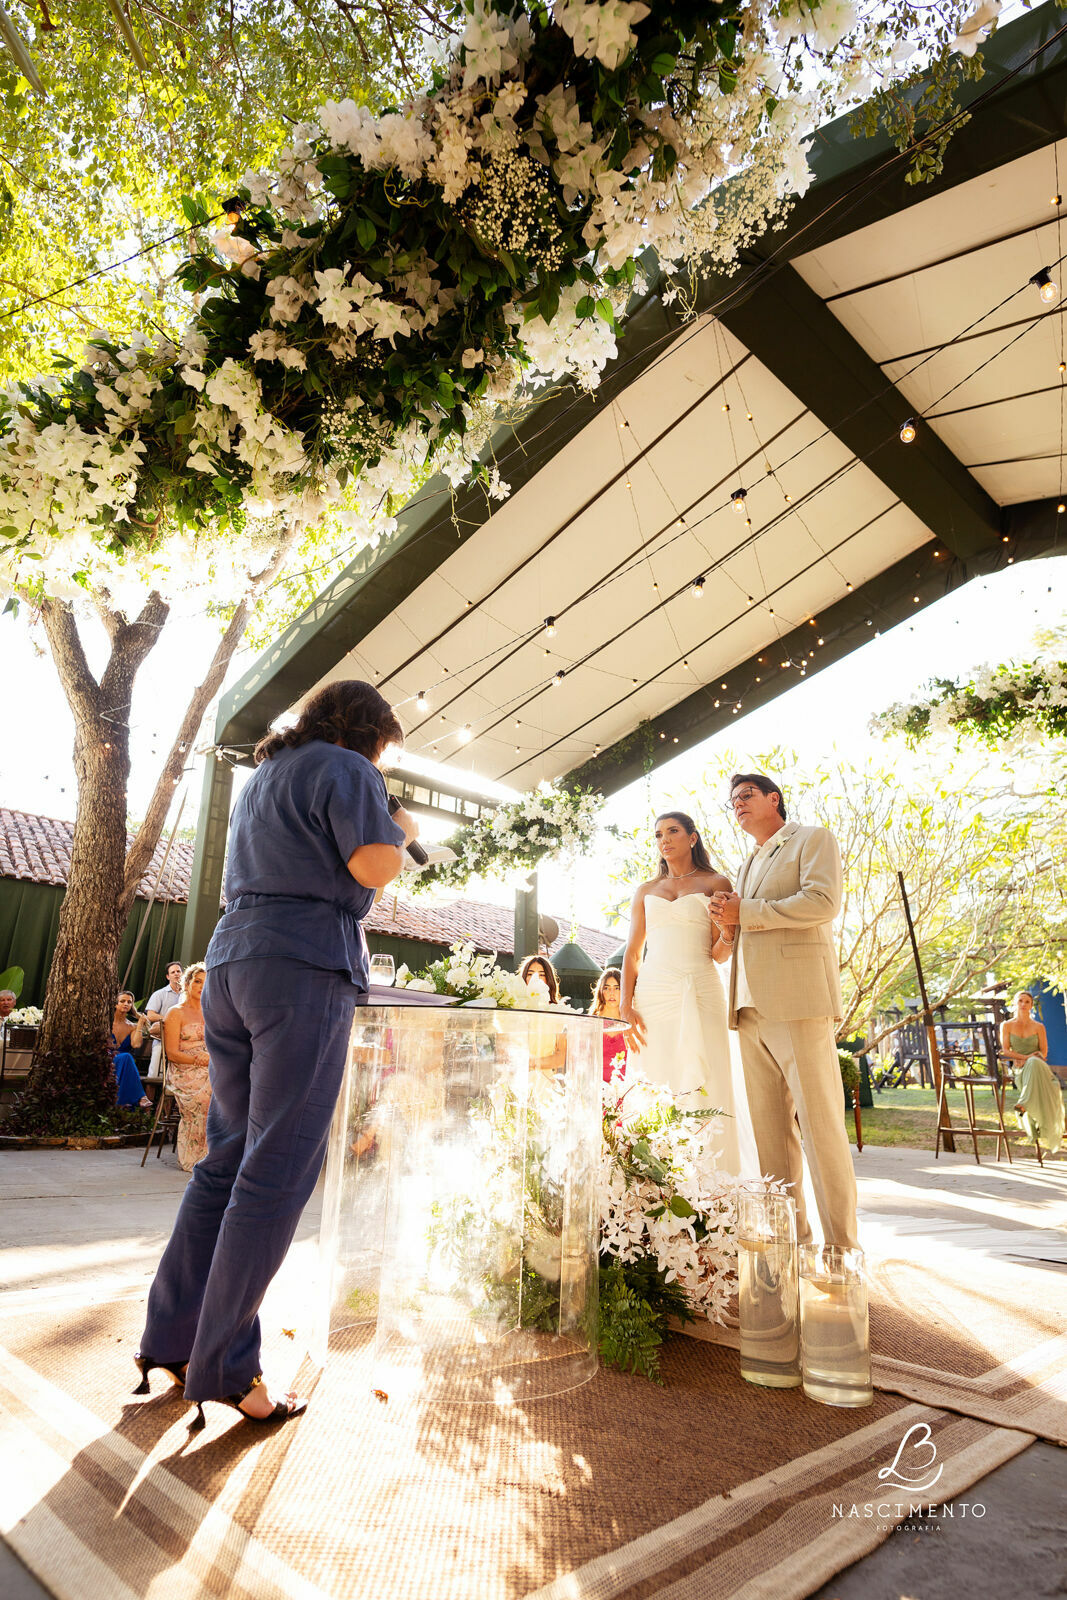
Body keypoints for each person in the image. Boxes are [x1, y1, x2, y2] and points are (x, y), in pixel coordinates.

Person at [138, 680, 417, 1426]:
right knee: (277, 1167)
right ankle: (227, 1369)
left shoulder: (266, 776)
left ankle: (168, 1339)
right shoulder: (350, 768)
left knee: (225, 1162)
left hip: (231, 963)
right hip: (300, 969)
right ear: (369, 733)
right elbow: (370, 867)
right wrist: (402, 828)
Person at [710, 773, 858, 1249]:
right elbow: (746, 926)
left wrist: (745, 912)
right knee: (773, 1140)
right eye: (733, 801)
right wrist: (728, 925)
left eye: (746, 795)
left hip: (797, 1002)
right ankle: (794, 1247)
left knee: (821, 1130)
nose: (738, 805)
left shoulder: (813, 839)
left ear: (774, 798)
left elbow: (821, 901)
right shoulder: (748, 862)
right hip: (748, 1009)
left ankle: (842, 1252)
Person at [620, 811, 746, 1170]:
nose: (665, 840)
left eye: (673, 831)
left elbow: (719, 953)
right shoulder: (645, 891)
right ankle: (648, 1178)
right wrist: (626, 1007)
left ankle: (715, 1177)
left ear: (692, 837)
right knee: (655, 1075)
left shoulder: (715, 881)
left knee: (709, 1075)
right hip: (654, 994)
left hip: (702, 987)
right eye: (659, 834)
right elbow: (632, 953)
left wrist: (728, 932)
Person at [1001, 991, 1064, 1155]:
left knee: (1035, 1061)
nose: (1023, 1004)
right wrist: (1025, 1057)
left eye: (1027, 1001)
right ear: (1015, 1003)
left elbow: (1043, 1053)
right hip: (1020, 1069)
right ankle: (1026, 1103)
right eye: (1020, 1001)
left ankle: (1024, 1103)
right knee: (1032, 1060)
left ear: (1031, 1005)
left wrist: (1030, 1059)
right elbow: (1005, 1050)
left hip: (1038, 1067)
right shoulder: (1006, 1025)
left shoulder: (1039, 1027)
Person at [162, 966, 213, 1169]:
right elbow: (172, 1053)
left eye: (205, 982)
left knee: (234, 1089)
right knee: (208, 1096)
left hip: (210, 1067)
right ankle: (196, 1157)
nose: (201, 986)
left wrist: (211, 1057)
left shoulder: (213, 1013)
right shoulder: (176, 1013)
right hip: (183, 1070)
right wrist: (198, 1060)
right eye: (197, 981)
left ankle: (219, 1156)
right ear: (187, 983)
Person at [519, 954, 567, 1071]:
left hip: (545, 1082)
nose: (536, 978)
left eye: (542, 974)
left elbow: (561, 1058)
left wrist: (531, 1064)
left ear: (548, 979)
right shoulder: (514, 1008)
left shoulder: (557, 1011)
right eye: (530, 974)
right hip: (516, 1077)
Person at [111, 991, 151, 1108]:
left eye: (129, 1002)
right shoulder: (106, 1023)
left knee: (126, 1057)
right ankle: (141, 1097)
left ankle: (120, 1106)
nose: (126, 1004)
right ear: (115, 1004)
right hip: (108, 1059)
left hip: (125, 1062)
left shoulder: (132, 1026)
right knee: (127, 1057)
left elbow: (136, 1044)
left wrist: (139, 1025)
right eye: (122, 1001)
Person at [145, 962, 184, 1080]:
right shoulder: (159, 994)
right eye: (173, 972)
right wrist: (171, 1019)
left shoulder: (187, 994)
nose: (176, 974)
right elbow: (150, 1015)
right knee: (155, 1067)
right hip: (163, 1037)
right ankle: (150, 1096)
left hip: (183, 1039)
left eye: (178, 971)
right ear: (168, 977)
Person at [590, 967, 628, 1083]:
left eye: (617, 988)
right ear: (601, 991)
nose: (612, 993)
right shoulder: (590, 1023)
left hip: (625, 1090)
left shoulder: (630, 1023)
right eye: (607, 988)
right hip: (595, 1088)